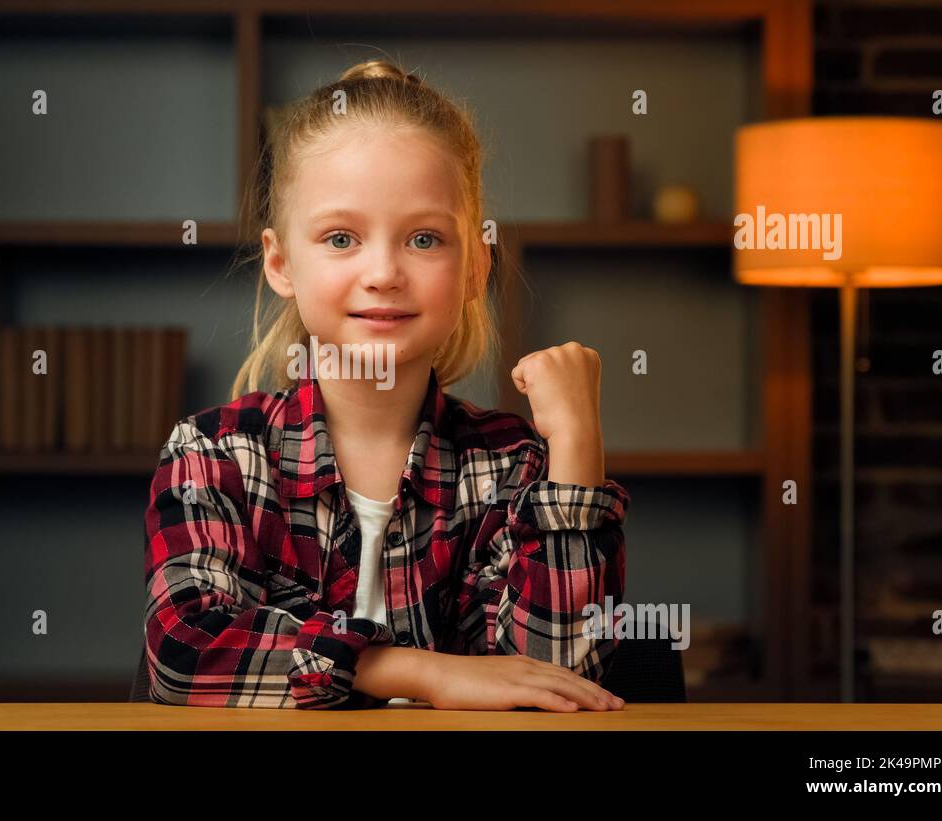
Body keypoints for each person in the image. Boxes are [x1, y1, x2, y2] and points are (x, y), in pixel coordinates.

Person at [143, 58, 629, 711]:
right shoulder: (213, 455)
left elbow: (557, 682)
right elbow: (186, 653)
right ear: (282, 262)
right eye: (341, 237)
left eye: (424, 238)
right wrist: (418, 672)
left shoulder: (514, 467)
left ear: (475, 265)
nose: (383, 271)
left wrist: (575, 447)